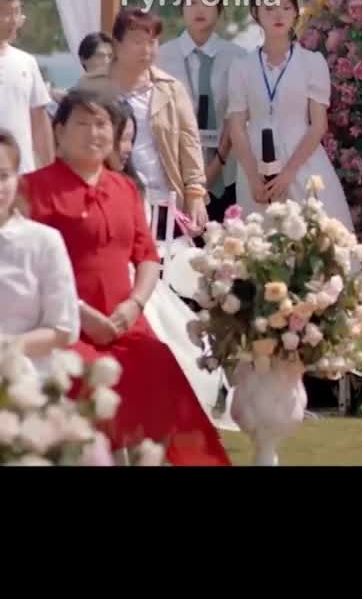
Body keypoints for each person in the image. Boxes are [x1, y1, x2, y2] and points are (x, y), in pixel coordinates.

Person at [20, 87, 231, 465]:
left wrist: (134, 305)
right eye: (82, 124)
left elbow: (146, 256)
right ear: (59, 131)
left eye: (102, 124)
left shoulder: (124, 188)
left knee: (161, 374)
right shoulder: (33, 189)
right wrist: (83, 315)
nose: (93, 133)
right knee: (91, 387)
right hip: (62, 324)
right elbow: (28, 269)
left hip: (124, 323)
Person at [109, 102, 236, 431]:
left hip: (138, 285)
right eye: (120, 138)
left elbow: (144, 251)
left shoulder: (133, 186)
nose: (126, 147)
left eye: (130, 139)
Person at [226, 0, 352, 229]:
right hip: (256, 167)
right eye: (270, 8)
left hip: (304, 163)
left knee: (318, 235)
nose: (278, 15)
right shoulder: (241, 67)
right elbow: (236, 126)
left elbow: (318, 125)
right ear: (255, 12)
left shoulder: (311, 62)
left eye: (286, 7)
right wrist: (252, 176)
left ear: (296, 12)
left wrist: (288, 173)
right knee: (259, 241)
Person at [77, 8, 209, 240]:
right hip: (105, 198)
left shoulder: (171, 89)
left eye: (152, 42)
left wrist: (195, 193)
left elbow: (189, 143)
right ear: (117, 44)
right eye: (138, 42)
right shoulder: (90, 86)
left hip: (162, 202)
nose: (147, 50)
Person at [157, 0, 248, 224]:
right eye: (192, 1)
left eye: (208, 1)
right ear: (181, 8)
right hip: (176, 175)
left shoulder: (238, 58)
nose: (199, 8)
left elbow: (237, 116)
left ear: (220, 9)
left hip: (226, 174)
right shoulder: (162, 57)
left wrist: (216, 164)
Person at [0, 130, 78, 361]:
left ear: (17, 178)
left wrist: (6, 346)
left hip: (24, 376)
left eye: (3, 176)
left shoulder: (44, 242)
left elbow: (63, 329)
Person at [0, 0, 53, 173]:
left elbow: (39, 120)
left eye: (16, 11)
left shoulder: (26, 62)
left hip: (21, 175)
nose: (14, 20)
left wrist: (48, 171)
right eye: (5, 13)